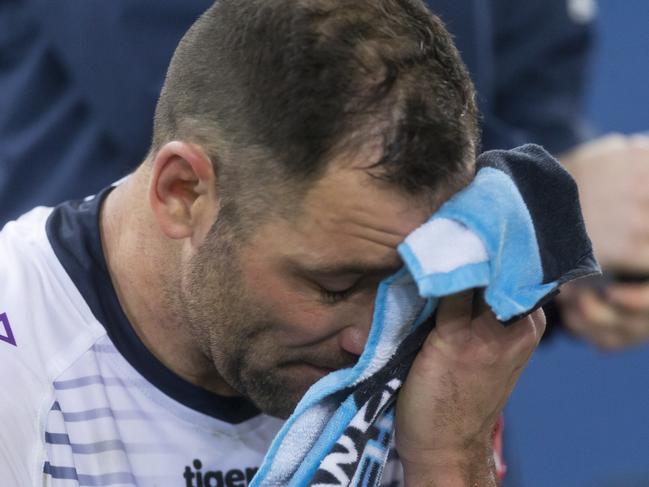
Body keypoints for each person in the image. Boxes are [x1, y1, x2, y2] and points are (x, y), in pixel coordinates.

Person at [0, 1, 545, 485]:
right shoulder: (21, 371)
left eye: (406, 286)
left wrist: (450, 456)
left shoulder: (432, 361)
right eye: (333, 284)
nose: (366, 341)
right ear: (183, 192)